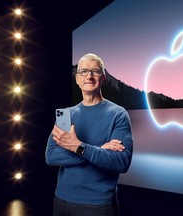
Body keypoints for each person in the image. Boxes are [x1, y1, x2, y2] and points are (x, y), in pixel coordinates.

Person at [45, 53, 134, 216]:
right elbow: (51, 156)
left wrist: (78, 147)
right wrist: (99, 149)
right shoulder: (66, 115)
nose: (89, 76)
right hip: (61, 200)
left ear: (104, 77)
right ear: (77, 78)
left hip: (98, 206)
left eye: (95, 71)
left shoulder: (118, 114)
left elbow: (121, 162)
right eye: (84, 71)